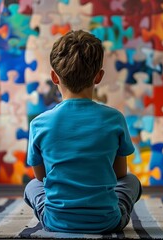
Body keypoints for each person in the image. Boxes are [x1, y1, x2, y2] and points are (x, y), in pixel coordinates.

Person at [23, 30, 142, 234]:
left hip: (55, 221)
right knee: (132, 181)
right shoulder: (114, 119)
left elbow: (41, 178)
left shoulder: (39, 124)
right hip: (107, 222)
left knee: (31, 186)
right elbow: (120, 174)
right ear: (99, 76)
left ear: (54, 77)